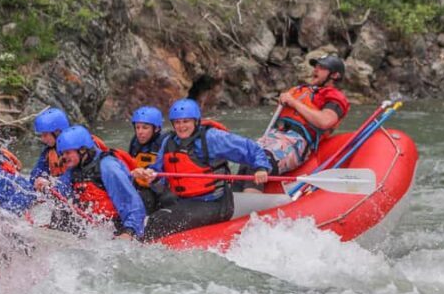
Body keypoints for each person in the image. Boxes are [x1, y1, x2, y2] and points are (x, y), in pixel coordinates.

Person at [132, 98, 271, 240]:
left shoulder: (211, 138)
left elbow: (251, 149)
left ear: (195, 121)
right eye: (177, 122)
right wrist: (150, 176)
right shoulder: (169, 142)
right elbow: (158, 174)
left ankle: (146, 247)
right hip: (184, 201)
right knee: (147, 211)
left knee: (159, 221)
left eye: (186, 121)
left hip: (215, 204)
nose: (181, 126)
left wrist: (261, 168)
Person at [238, 53, 351, 193]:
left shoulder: (333, 96)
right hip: (275, 136)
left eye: (322, 67)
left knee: (260, 162)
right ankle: (234, 207)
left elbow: (325, 121)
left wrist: (293, 102)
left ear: (335, 75)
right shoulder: (300, 90)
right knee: (245, 159)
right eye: (316, 66)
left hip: (296, 142)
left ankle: (249, 208)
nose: (315, 69)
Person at [48, 125, 146, 240]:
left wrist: (129, 231)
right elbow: (60, 191)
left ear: (82, 150)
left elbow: (131, 202)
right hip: (92, 225)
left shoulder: (108, 166)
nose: (64, 157)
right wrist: (47, 186)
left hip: (114, 226)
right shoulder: (74, 168)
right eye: (63, 153)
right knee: (61, 210)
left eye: (68, 153)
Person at [127, 106, 174, 214]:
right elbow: (129, 165)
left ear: (156, 129)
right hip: (141, 186)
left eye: (145, 128)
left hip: (161, 188)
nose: (140, 132)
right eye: (137, 127)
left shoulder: (166, 142)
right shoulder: (135, 142)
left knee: (164, 199)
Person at [29, 107, 70, 191]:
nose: (42, 139)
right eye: (42, 135)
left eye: (45, 135)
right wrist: (39, 180)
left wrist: (51, 184)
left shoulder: (78, 151)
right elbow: (36, 174)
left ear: (57, 132)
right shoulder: (49, 152)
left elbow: (72, 176)